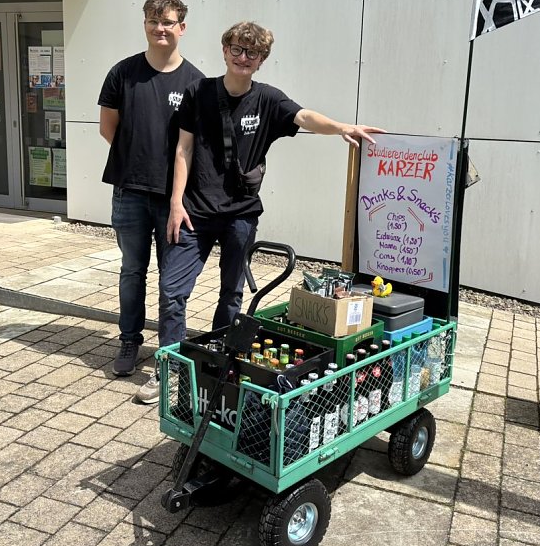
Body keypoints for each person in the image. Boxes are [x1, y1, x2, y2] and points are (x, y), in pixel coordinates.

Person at [135, 20, 384, 403]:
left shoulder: (268, 99)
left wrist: (340, 127)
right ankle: (169, 367)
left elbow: (304, 118)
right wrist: (174, 204)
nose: (242, 57)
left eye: (252, 53)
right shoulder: (198, 92)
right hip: (194, 212)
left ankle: (218, 363)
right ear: (224, 50)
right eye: (236, 49)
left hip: (241, 214)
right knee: (172, 292)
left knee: (231, 295)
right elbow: (182, 150)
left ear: (261, 60)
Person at [99, 0, 204, 378]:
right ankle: (129, 339)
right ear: (145, 24)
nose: (160, 28)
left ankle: (169, 354)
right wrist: (136, 159)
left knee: (170, 279)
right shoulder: (123, 73)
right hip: (128, 192)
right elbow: (107, 127)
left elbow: (192, 147)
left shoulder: (195, 82)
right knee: (132, 270)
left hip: (173, 199)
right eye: (153, 21)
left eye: (168, 22)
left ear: (182, 27)